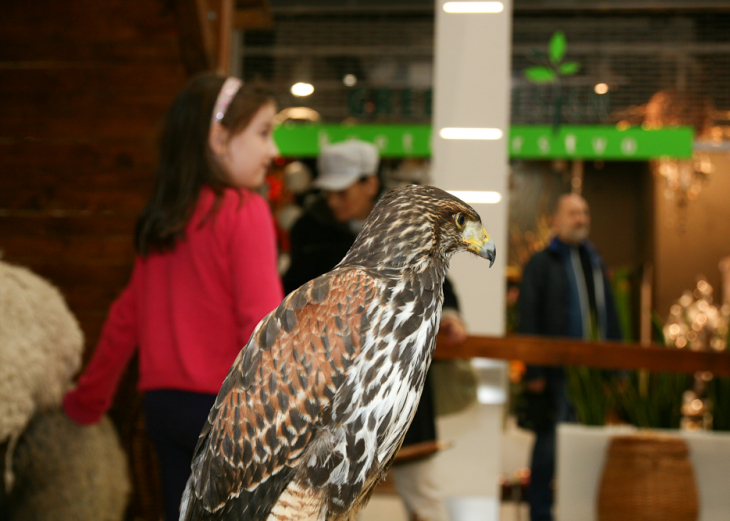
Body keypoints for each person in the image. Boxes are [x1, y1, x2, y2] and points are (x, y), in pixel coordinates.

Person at [62, 73, 284, 521]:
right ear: (219, 139)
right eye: (263, 133)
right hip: (230, 413)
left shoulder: (166, 217)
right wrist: (286, 417)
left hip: (164, 410)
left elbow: (125, 318)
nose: (274, 151)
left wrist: (87, 402)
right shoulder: (244, 209)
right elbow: (262, 328)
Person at [282, 140, 467, 521]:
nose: (334, 201)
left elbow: (439, 279)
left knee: (423, 491)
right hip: (335, 389)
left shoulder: (410, 226)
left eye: (343, 190)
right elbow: (290, 297)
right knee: (333, 498)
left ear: (370, 183)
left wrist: (449, 314)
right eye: (329, 191)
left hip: (399, 385)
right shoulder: (308, 230)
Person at [517, 193, 622, 521]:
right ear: (556, 221)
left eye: (585, 212)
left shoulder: (595, 261)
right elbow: (528, 316)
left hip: (593, 375)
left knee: (585, 446)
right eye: (573, 213)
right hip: (555, 372)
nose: (581, 219)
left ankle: (578, 511)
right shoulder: (541, 262)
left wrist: (617, 370)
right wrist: (534, 369)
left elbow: (611, 315)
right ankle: (541, 514)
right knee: (548, 447)